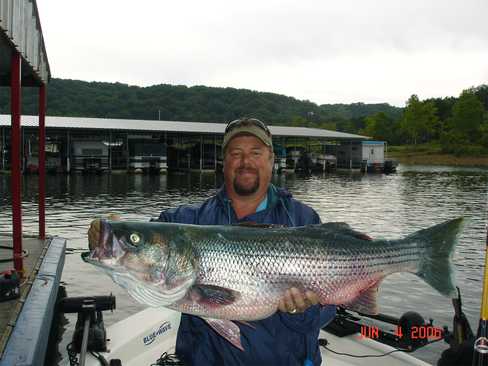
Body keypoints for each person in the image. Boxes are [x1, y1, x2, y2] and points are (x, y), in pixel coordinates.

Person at [88, 117, 336, 366]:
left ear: (271, 160)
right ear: (224, 161)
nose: (245, 162)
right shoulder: (187, 220)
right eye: (236, 153)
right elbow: (143, 244)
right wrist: (103, 237)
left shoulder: (303, 219)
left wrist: (303, 311)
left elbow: (328, 309)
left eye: (256, 153)